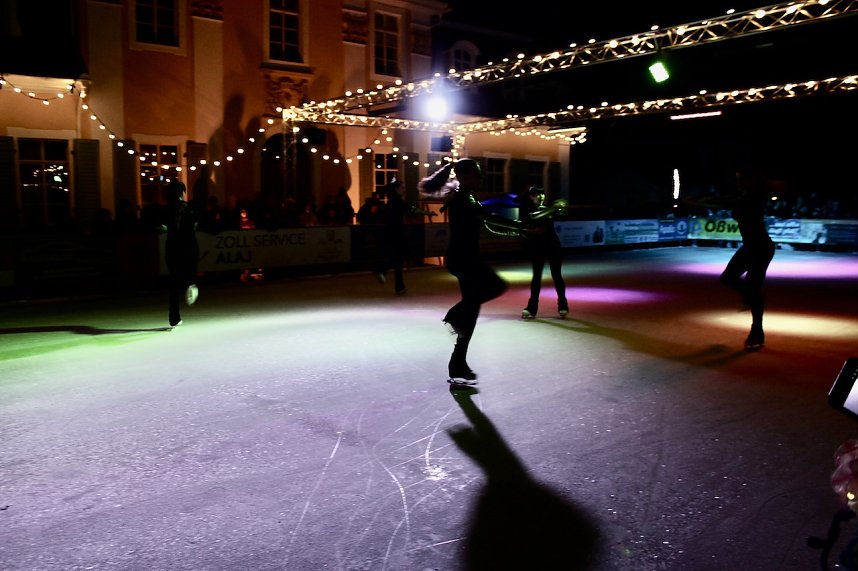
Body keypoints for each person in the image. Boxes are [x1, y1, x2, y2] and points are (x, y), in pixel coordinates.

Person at [419, 158, 528, 385]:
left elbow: (486, 222)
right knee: (495, 287)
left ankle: (458, 363)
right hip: (464, 259)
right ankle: (454, 316)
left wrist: (517, 231)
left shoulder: (466, 196)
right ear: (464, 176)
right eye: (477, 173)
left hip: (466, 258)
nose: (481, 177)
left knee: (472, 310)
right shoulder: (462, 198)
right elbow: (489, 218)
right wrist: (521, 227)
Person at [684, 165, 775, 350]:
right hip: (752, 246)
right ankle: (751, 297)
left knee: (750, 287)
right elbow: (727, 200)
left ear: (750, 179)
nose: (738, 181)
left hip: (761, 247)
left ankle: (756, 331)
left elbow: (726, 202)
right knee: (730, 280)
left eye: (741, 178)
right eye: (737, 178)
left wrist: (698, 201)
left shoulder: (753, 195)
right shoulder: (746, 194)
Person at [376, 178, 436, 294]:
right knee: (399, 258)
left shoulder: (391, 201)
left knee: (398, 259)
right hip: (396, 233)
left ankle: (398, 285)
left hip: (391, 232)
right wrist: (428, 213)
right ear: (397, 189)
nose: (404, 190)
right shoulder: (398, 202)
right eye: (402, 188)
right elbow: (413, 210)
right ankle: (383, 271)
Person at [518, 186, 569, 319]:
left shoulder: (549, 210)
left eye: (543, 194)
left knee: (557, 275)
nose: (541, 197)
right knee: (537, 277)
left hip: (553, 245)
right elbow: (532, 218)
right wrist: (532, 232)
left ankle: (563, 305)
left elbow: (564, 213)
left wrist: (562, 207)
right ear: (531, 197)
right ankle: (532, 308)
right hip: (537, 246)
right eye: (537, 195)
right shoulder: (527, 210)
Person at [161, 179, 200, 327]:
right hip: (188, 246)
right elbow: (195, 225)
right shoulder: (189, 208)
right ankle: (191, 285)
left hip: (173, 248)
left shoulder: (166, 210)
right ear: (181, 192)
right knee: (190, 272)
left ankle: (174, 316)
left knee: (173, 282)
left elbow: (161, 225)